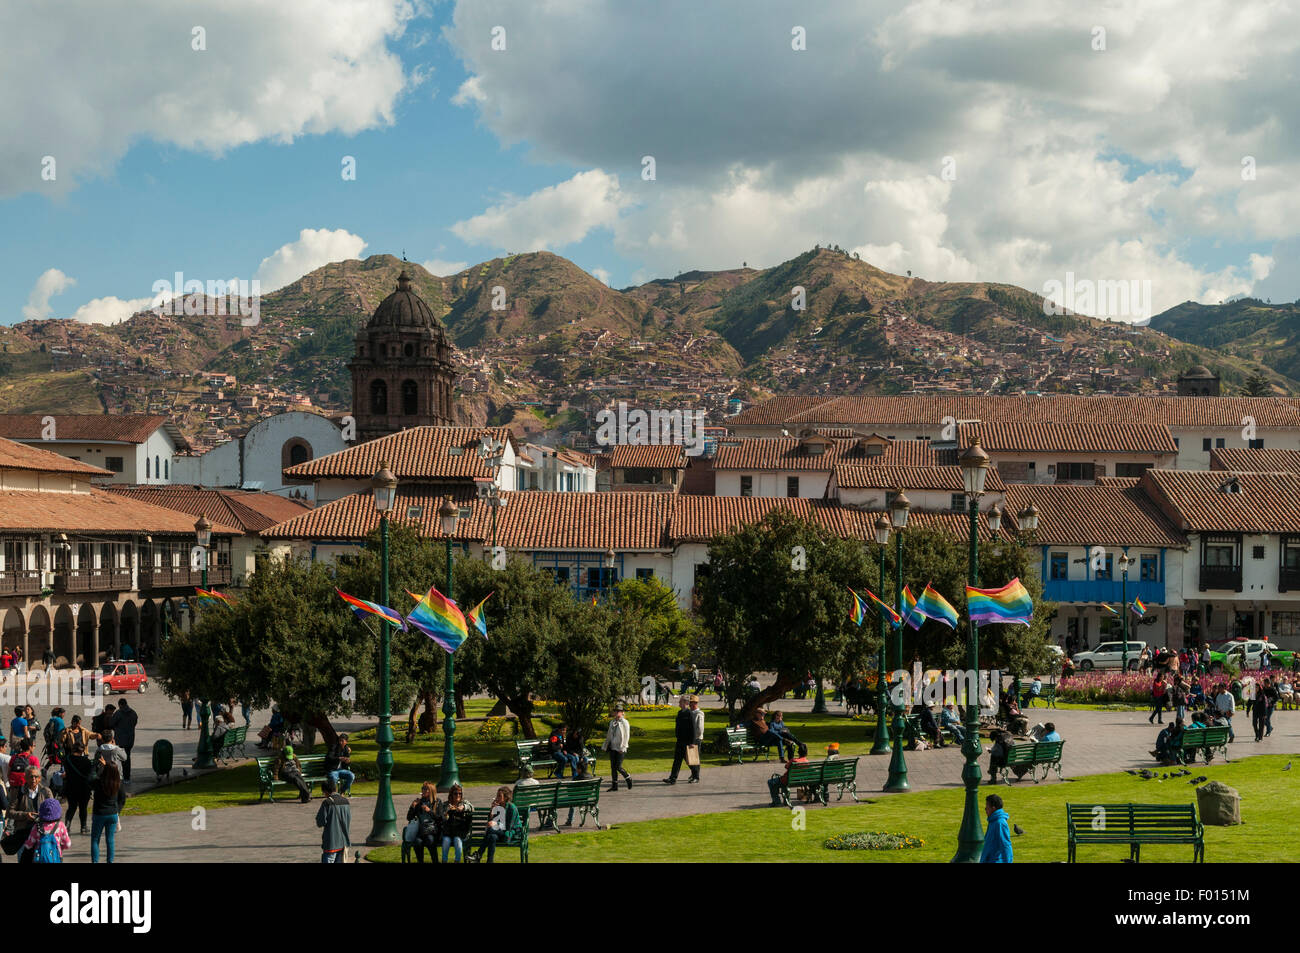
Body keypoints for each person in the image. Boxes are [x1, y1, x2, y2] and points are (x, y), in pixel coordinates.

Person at [8, 768, 54, 863]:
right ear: (25, 777)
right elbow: (10, 812)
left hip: (41, 834)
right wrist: (25, 815)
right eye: (31, 776)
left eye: (36, 776)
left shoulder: (46, 792)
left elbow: (54, 812)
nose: (33, 779)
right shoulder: (19, 792)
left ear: (40, 778)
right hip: (23, 834)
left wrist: (43, 816)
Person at [471, 786, 521, 864]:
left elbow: (508, 827)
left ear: (505, 797)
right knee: (492, 836)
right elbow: (491, 823)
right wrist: (492, 811)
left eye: (499, 796)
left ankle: (478, 854)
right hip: (499, 833)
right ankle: (489, 861)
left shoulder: (512, 808)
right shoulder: (498, 807)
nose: (496, 797)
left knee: (491, 831)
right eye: (497, 795)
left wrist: (496, 823)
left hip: (510, 834)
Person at [90, 760, 126, 863]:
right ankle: (110, 861)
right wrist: (117, 810)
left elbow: (90, 778)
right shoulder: (118, 783)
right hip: (112, 814)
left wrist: (95, 766)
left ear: (105, 771)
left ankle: (95, 861)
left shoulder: (99, 782)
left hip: (99, 814)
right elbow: (122, 800)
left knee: (95, 840)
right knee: (110, 840)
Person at [315, 776, 351, 864]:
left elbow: (320, 822)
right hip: (343, 842)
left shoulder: (327, 803)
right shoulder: (346, 801)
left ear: (326, 791)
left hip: (331, 842)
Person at [62, 742, 95, 835]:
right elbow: (90, 775)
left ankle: (67, 826)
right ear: (83, 750)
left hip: (70, 787)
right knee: (83, 808)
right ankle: (83, 827)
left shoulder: (67, 759)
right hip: (84, 788)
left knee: (71, 807)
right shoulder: (87, 761)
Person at [24, 798, 70, 863]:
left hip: (40, 858)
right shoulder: (61, 826)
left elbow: (28, 845)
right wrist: (59, 846)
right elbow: (67, 844)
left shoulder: (37, 826)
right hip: (56, 858)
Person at [404, 782, 440, 864]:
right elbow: (409, 818)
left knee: (430, 840)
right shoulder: (418, 802)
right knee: (417, 842)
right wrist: (412, 806)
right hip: (420, 832)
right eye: (422, 788)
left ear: (430, 791)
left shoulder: (437, 802)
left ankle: (435, 861)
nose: (423, 790)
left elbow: (440, 818)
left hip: (432, 831)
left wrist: (429, 811)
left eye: (425, 789)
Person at [436, 783, 472, 863]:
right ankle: (444, 861)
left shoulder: (464, 803)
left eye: (460, 793)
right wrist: (447, 812)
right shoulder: (445, 804)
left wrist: (463, 807)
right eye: (455, 793)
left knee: (458, 842)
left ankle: (457, 861)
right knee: (446, 841)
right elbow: (442, 818)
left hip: (459, 833)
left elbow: (472, 807)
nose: (458, 795)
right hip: (448, 832)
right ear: (451, 794)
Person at [602, 706, 632, 791]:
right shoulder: (612, 722)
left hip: (620, 748)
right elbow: (609, 735)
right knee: (613, 767)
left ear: (622, 712)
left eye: (619, 711)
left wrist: (622, 747)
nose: (617, 713)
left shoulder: (625, 722)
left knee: (618, 766)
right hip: (612, 747)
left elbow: (627, 736)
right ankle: (614, 785)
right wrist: (605, 745)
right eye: (615, 711)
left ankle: (628, 778)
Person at [665, 696, 693, 785]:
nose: (679, 704)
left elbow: (692, 728)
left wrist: (692, 742)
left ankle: (696, 774)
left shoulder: (689, 713)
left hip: (687, 741)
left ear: (686, 703)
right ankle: (672, 778)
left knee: (689, 760)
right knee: (677, 760)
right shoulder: (680, 713)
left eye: (680, 702)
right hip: (680, 740)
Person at [980, 793, 1014, 863]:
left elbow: (1005, 846)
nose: (985, 808)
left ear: (993, 808)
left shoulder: (1000, 823)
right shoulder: (993, 821)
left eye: (987, 806)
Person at [111, 699, 138, 781]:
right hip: (130, 740)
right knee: (127, 758)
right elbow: (134, 723)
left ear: (120, 705)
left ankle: (120, 776)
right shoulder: (133, 713)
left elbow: (111, 724)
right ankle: (127, 777)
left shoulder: (118, 713)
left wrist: (117, 729)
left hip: (120, 740)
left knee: (118, 759)